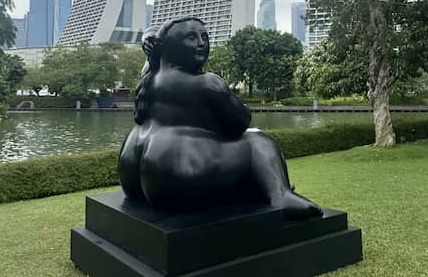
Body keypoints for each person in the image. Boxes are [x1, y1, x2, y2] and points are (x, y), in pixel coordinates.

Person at [118, 16, 322, 219]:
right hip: (175, 179)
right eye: (191, 37)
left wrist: (149, 36)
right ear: (170, 46)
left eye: (204, 37)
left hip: (134, 177)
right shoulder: (207, 83)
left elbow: (156, 36)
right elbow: (240, 123)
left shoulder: (149, 77)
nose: (201, 43)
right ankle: (280, 195)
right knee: (257, 140)